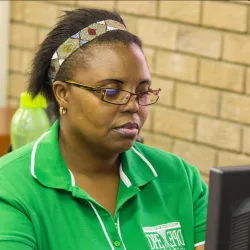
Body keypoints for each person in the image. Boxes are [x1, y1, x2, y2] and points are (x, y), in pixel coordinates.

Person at [0, 8, 207, 250]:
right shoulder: (10, 188)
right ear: (63, 94)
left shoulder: (181, 178)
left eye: (142, 92)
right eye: (110, 91)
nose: (133, 105)